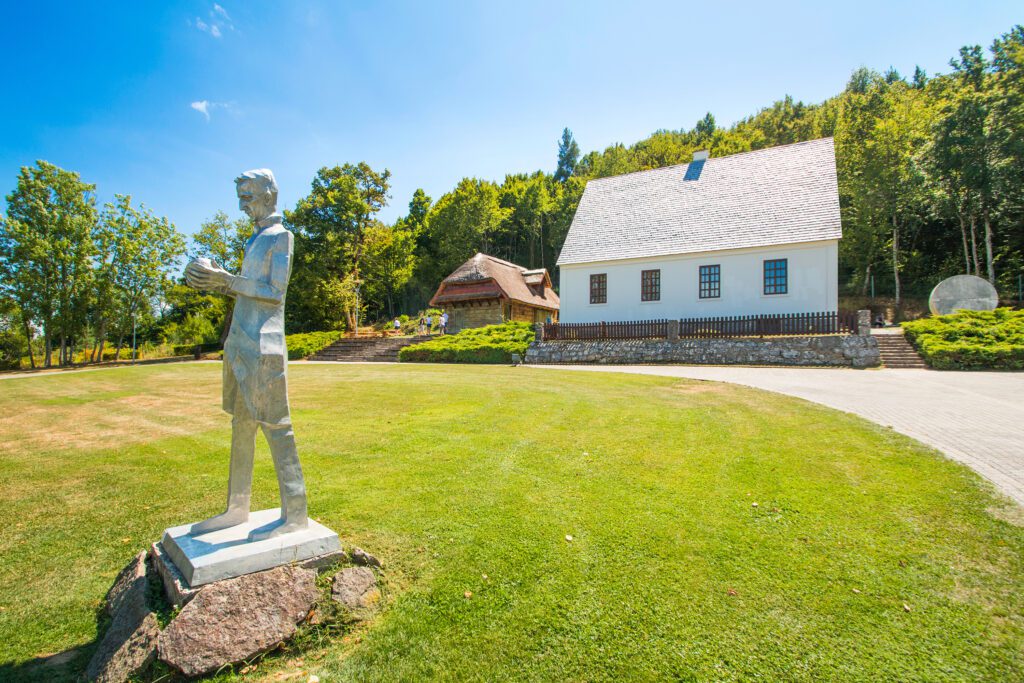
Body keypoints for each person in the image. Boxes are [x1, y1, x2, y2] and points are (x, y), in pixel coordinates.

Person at [184, 168, 307, 541]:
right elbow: (248, 292)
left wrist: (226, 281)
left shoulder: (281, 237)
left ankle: (296, 514)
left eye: (248, 196)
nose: (242, 205)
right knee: (241, 426)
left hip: (265, 347)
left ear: (270, 195)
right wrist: (216, 281)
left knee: (277, 427)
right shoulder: (253, 240)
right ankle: (237, 508)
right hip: (240, 343)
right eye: (240, 197)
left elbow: (274, 291)